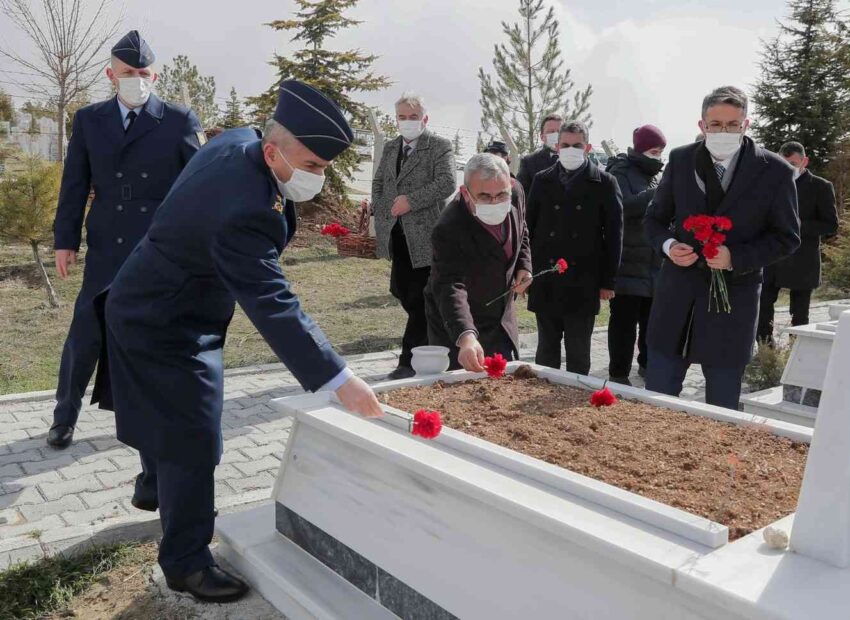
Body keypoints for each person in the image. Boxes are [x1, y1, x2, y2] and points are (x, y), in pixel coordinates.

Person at [92, 81, 385, 603]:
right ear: (273, 151)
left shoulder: (239, 143)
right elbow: (274, 303)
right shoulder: (242, 208)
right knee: (196, 438)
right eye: (312, 165)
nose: (317, 178)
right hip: (167, 323)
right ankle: (186, 561)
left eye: (323, 168)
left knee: (171, 423)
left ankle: (155, 485)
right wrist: (340, 379)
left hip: (148, 298)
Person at [46, 30, 205, 449]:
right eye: (128, 72)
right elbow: (74, 184)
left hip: (156, 245)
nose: (136, 78)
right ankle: (64, 416)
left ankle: (151, 417)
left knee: (151, 331)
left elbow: (197, 184)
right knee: (86, 328)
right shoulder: (89, 119)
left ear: (155, 75)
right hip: (106, 241)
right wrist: (65, 240)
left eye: (143, 72)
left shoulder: (178, 120)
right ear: (110, 74)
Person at [643, 86, 799, 410]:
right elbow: (654, 220)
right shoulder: (681, 159)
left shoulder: (775, 171)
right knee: (656, 401)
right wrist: (669, 245)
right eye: (715, 124)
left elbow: (787, 237)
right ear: (702, 125)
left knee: (722, 409)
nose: (723, 131)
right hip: (676, 299)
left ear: (746, 124)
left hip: (733, 304)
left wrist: (735, 257)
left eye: (732, 124)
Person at [368, 92, 456, 380]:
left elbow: (446, 182)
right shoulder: (393, 147)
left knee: (420, 298)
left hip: (425, 236)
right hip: (397, 235)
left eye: (413, 117)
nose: (407, 122)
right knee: (403, 292)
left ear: (424, 119)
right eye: (402, 117)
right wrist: (383, 210)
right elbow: (380, 181)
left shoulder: (439, 146)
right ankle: (438, 344)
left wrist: (411, 201)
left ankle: (409, 361)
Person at [526, 120, 623, 376]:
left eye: (577, 145)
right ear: (556, 147)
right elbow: (528, 228)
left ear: (588, 147)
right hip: (546, 275)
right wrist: (525, 271)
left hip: (584, 279)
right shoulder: (541, 180)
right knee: (546, 349)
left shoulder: (605, 182)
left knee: (579, 351)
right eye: (566, 145)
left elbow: (614, 235)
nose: (571, 149)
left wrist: (608, 281)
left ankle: (577, 396)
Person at [425, 153, 532, 371]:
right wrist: (466, 337)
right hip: (461, 323)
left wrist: (524, 264)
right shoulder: (449, 227)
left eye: (501, 195)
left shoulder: (517, 192)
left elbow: (523, 230)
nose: (495, 202)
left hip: (503, 318)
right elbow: (450, 285)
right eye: (484, 196)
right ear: (465, 193)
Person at [756, 141, 838, 343]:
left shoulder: (821, 186)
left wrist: (799, 224)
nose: (789, 168)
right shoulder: (768, 184)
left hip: (802, 260)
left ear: (805, 161)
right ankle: (766, 349)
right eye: (784, 163)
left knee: (800, 313)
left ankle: (797, 352)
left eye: (793, 163)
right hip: (772, 257)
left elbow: (831, 225)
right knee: (763, 306)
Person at [604, 124, 667, 385]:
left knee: (651, 322)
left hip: (652, 263)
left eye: (661, 152)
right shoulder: (620, 172)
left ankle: (647, 365)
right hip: (628, 264)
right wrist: (656, 194)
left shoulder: (653, 175)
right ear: (640, 149)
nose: (658, 156)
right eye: (653, 151)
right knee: (623, 324)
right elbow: (623, 208)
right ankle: (619, 372)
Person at [517, 113, 562, 199]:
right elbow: (521, 196)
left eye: (559, 131)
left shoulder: (577, 159)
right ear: (542, 137)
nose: (556, 135)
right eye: (551, 131)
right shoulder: (529, 162)